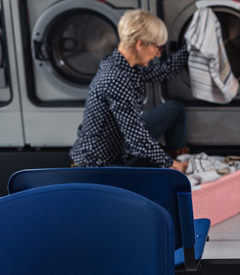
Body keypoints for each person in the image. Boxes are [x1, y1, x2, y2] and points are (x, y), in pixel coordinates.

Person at [70, 9, 189, 172]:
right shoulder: (116, 79)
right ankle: (176, 170)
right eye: (157, 48)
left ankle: (179, 160)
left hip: (121, 142)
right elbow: (137, 139)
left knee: (174, 110)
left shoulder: (125, 63)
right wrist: (170, 164)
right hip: (100, 165)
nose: (157, 54)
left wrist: (191, 47)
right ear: (140, 44)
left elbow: (164, 71)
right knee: (153, 171)